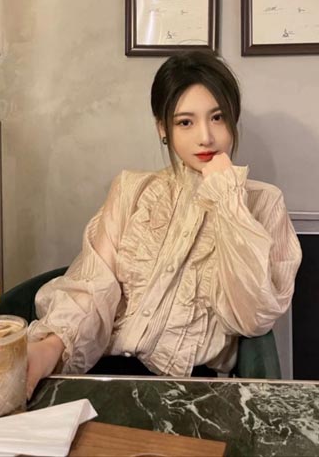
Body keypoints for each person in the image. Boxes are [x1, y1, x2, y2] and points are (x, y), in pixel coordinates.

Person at [26, 50, 302, 398]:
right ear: (163, 128)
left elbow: (252, 316)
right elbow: (93, 286)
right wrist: (51, 346)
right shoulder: (131, 190)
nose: (205, 136)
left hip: (191, 390)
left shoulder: (263, 203)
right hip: (103, 372)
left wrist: (227, 198)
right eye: (185, 122)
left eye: (217, 118)